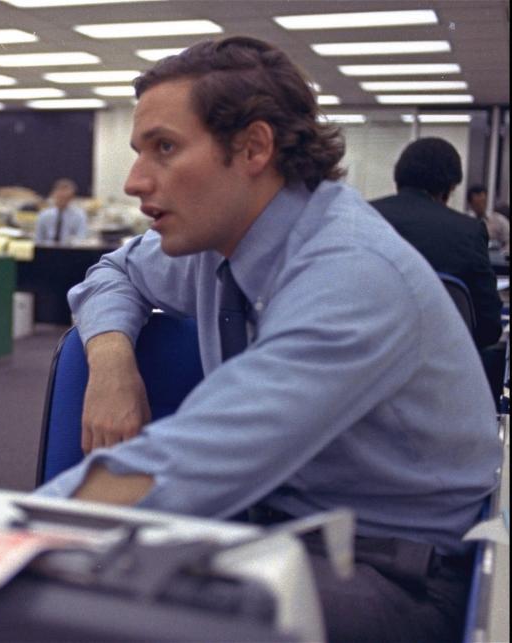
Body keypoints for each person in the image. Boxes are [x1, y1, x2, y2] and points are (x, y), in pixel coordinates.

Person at [35, 36, 500, 642]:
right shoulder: (213, 244)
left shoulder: (351, 273)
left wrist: (18, 533)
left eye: (165, 148)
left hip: (392, 571)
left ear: (253, 147)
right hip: (274, 532)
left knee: (86, 614)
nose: (133, 180)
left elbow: (200, 455)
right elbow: (113, 271)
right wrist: (110, 356)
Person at [370, 142, 502, 350]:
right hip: (440, 368)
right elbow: (489, 327)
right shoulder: (469, 230)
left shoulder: (359, 216)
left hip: (359, 364)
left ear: (398, 179)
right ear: (449, 189)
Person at [34, 178, 89, 244]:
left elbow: (81, 238)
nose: (62, 200)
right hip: (47, 249)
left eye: (66, 197)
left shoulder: (79, 216)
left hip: (70, 250)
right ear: (54, 195)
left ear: (71, 198)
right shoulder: (44, 215)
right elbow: (38, 239)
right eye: (60, 197)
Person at [467, 183, 510, 254]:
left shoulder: (499, 220)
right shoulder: (466, 220)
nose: (481, 206)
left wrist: (503, 253)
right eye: (477, 203)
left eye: (483, 202)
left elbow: (508, 239)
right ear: (470, 204)